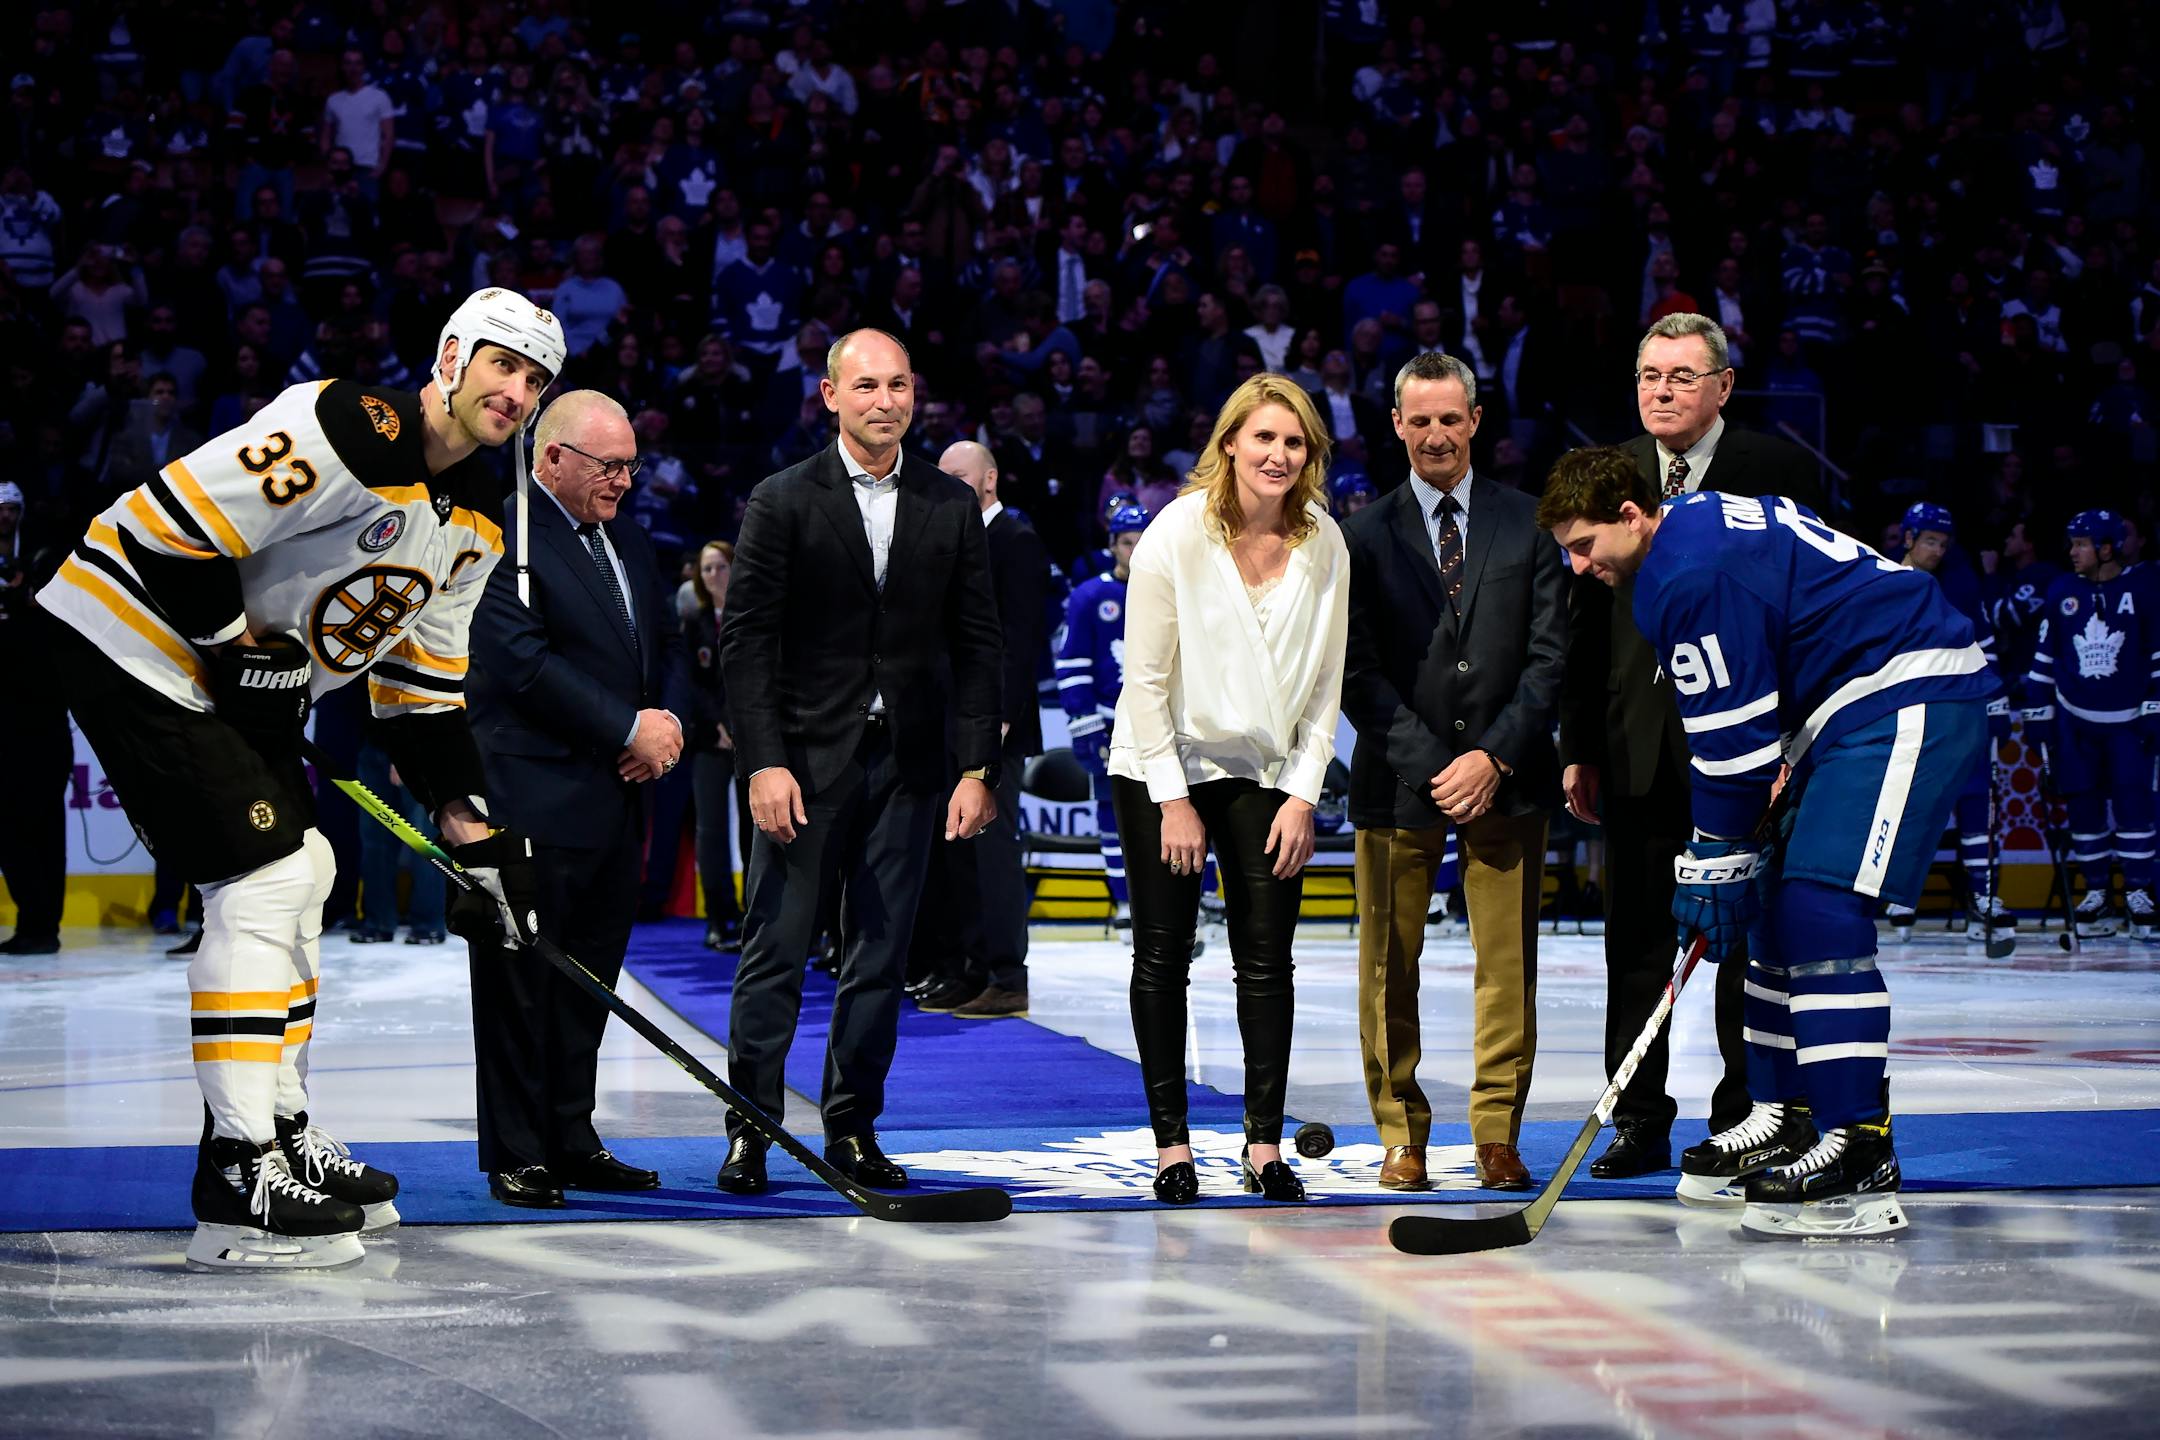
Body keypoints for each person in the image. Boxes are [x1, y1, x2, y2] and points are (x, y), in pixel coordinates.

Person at [35, 288, 563, 1268]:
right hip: (129, 637)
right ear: (451, 356)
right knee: (268, 875)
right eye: (503, 363)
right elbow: (167, 523)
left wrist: (475, 834)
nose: (517, 390)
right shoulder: (345, 426)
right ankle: (236, 1180)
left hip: (233, 685)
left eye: (535, 379)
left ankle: (277, 1133)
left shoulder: (480, 521)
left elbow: (420, 694)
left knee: (309, 871)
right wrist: (235, 646)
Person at [1539, 447, 1993, 1238]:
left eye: (1584, 546)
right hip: (1837, 712)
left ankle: (1859, 1145)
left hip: (1904, 688)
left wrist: (1710, 859)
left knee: (1818, 909)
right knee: (1770, 915)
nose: (1578, 566)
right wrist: (1723, 862)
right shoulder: (1683, 546)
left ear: (1631, 514)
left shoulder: (1686, 574)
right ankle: (1784, 1113)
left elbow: (1733, 750)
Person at [715, 329, 1003, 1196]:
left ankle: (852, 1128)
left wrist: (976, 767)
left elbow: (980, 646)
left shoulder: (949, 505)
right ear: (831, 396)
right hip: (802, 764)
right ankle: (751, 1132)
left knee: (879, 957)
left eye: (901, 385)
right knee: (776, 949)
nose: (887, 400)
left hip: (909, 768)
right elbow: (745, 644)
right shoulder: (781, 498)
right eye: (868, 385)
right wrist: (764, 763)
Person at [1557, 313, 1824, 1184]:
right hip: (1637, 752)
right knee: (1635, 947)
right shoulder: (1612, 472)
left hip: (1751, 754)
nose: (1661, 390)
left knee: (1746, 942)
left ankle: (1748, 1116)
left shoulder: (1777, 470)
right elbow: (1582, 624)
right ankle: (1637, 1119)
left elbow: (1808, 610)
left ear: (1723, 385)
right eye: (1648, 374)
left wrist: (1796, 738)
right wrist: (1580, 745)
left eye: (1680, 374)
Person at [1108, 373, 1350, 1206]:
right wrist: (1172, 799)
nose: (1278, 455)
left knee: (1265, 962)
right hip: (1159, 762)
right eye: (1264, 439)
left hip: (1269, 775)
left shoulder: (1325, 543)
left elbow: (1326, 688)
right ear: (1231, 444)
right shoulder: (1176, 532)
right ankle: (1172, 1148)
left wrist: (1305, 794)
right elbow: (1143, 683)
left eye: (1294, 442)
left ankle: (1262, 1147)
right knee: (1163, 955)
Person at [1338, 352, 1566, 1194]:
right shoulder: (1358, 536)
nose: (1435, 434)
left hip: (1508, 777)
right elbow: (1356, 673)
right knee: (1388, 967)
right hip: (1401, 778)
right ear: (1396, 425)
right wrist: (1442, 766)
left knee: (1507, 966)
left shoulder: (1531, 521)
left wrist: (1495, 755)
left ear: (1476, 421)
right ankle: (1402, 1133)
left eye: (1450, 418)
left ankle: (1497, 1134)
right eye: (1419, 420)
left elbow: (1551, 658)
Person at [466, 390, 690, 1208]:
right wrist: (626, 728)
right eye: (610, 465)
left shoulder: (625, 537)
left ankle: (571, 1134)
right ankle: (518, 1150)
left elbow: (665, 645)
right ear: (552, 458)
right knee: (520, 986)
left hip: (616, 799)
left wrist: (662, 729)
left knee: (589, 981)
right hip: (531, 799)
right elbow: (518, 663)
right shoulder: (499, 540)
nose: (625, 481)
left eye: (631, 465)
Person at [923, 440, 1050, 1019]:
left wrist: (996, 725)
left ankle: (1007, 974)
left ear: (990, 479)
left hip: (993, 728)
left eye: (959, 474)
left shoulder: (1016, 542)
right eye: (942, 475)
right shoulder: (954, 540)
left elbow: (1020, 644)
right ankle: (967, 969)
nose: (948, 483)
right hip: (950, 723)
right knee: (955, 855)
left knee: (992, 854)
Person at [2022, 509, 2159, 941]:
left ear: (2107, 548)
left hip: (2127, 721)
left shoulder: (2143, 587)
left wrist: (2156, 704)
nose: (2073, 552)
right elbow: (2045, 656)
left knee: (2133, 805)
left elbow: (2157, 650)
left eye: (2081, 544)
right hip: (2074, 721)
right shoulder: (2062, 590)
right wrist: (2036, 711)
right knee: (2083, 806)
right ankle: (2097, 891)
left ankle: (2139, 892)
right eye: (2072, 543)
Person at [1895, 502, 2015, 946]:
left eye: (1943, 544)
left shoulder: (1960, 585)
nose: (1937, 551)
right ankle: (1900, 895)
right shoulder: (1886, 581)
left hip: (1961, 711)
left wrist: (1998, 700)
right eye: (1930, 541)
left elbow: (1984, 646)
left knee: (1975, 803)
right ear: (1908, 539)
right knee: (1915, 806)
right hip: (1913, 714)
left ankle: (1983, 896)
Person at [1058, 503, 1149, 928]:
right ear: (1112, 545)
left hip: (1162, 725)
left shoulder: (1173, 591)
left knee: (1179, 813)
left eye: (1142, 540)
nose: (1135, 549)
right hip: (1110, 724)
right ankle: (1125, 903)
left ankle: (1190, 900)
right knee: (1112, 816)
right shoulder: (1089, 596)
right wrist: (1084, 724)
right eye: (1127, 542)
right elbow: (1073, 662)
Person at [0, 481, 68, 956]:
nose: (5, 517)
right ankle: (37, 922)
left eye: (11, 509)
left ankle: (42, 923)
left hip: (40, 714)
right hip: (13, 716)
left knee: (39, 823)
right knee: (20, 825)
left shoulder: (46, 555)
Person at [684, 540, 748, 950]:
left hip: (750, 735)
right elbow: (690, 682)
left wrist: (740, 723)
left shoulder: (753, 614)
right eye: (706, 569)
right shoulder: (694, 622)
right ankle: (719, 917)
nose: (713, 576)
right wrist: (716, 724)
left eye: (720, 567)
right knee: (709, 830)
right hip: (708, 738)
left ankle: (753, 916)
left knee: (755, 828)